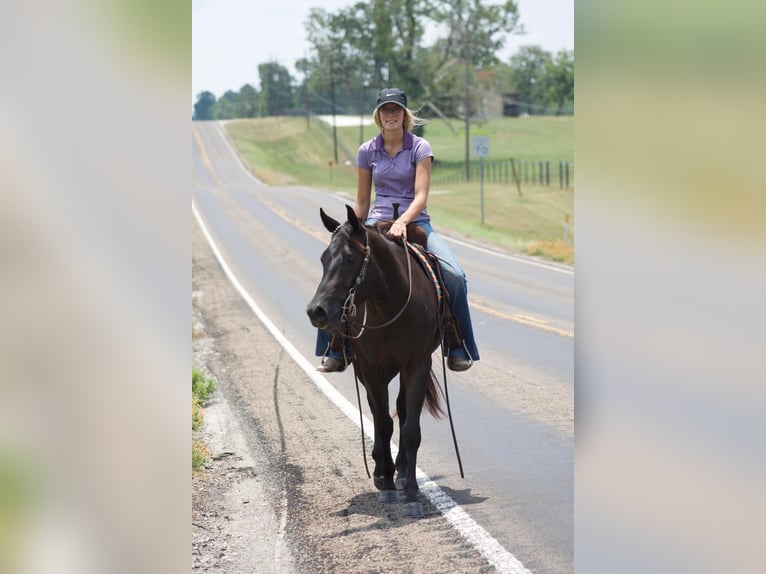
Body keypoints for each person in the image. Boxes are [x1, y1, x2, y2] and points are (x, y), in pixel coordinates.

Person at [315, 87, 479, 373]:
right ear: (378, 116)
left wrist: (404, 221)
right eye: (386, 110)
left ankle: (457, 344)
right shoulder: (367, 151)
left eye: (396, 110)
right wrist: (350, 228)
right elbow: (363, 200)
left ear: (405, 115)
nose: (391, 115)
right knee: (337, 266)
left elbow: (421, 196)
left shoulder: (419, 148)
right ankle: (335, 347)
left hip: (416, 222)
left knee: (455, 275)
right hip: (375, 222)